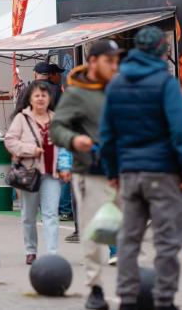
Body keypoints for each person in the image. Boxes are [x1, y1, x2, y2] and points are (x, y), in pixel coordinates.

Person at [100, 26, 182, 310]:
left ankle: (128, 300)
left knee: (129, 239)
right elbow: (180, 130)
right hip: (163, 172)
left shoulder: (116, 84)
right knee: (167, 241)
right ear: (160, 51)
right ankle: (164, 300)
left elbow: (107, 134)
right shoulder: (165, 83)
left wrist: (112, 171)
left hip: (129, 172)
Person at [51, 39, 121, 309]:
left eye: (116, 62)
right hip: (90, 171)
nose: (114, 67)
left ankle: (130, 287)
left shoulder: (119, 90)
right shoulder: (77, 93)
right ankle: (95, 287)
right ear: (93, 62)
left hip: (122, 171)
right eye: (109, 61)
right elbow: (57, 127)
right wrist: (74, 140)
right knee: (92, 232)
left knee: (126, 229)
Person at [5, 81, 66, 265]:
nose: (40, 99)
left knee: (51, 214)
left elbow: (63, 144)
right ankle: (31, 250)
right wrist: (30, 149)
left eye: (44, 95)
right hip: (30, 173)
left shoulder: (56, 119)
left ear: (50, 99)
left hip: (52, 173)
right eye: (37, 95)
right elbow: (9, 141)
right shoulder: (22, 118)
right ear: (30, 99)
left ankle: (52, 254)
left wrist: (65, 167)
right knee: (28, 216)